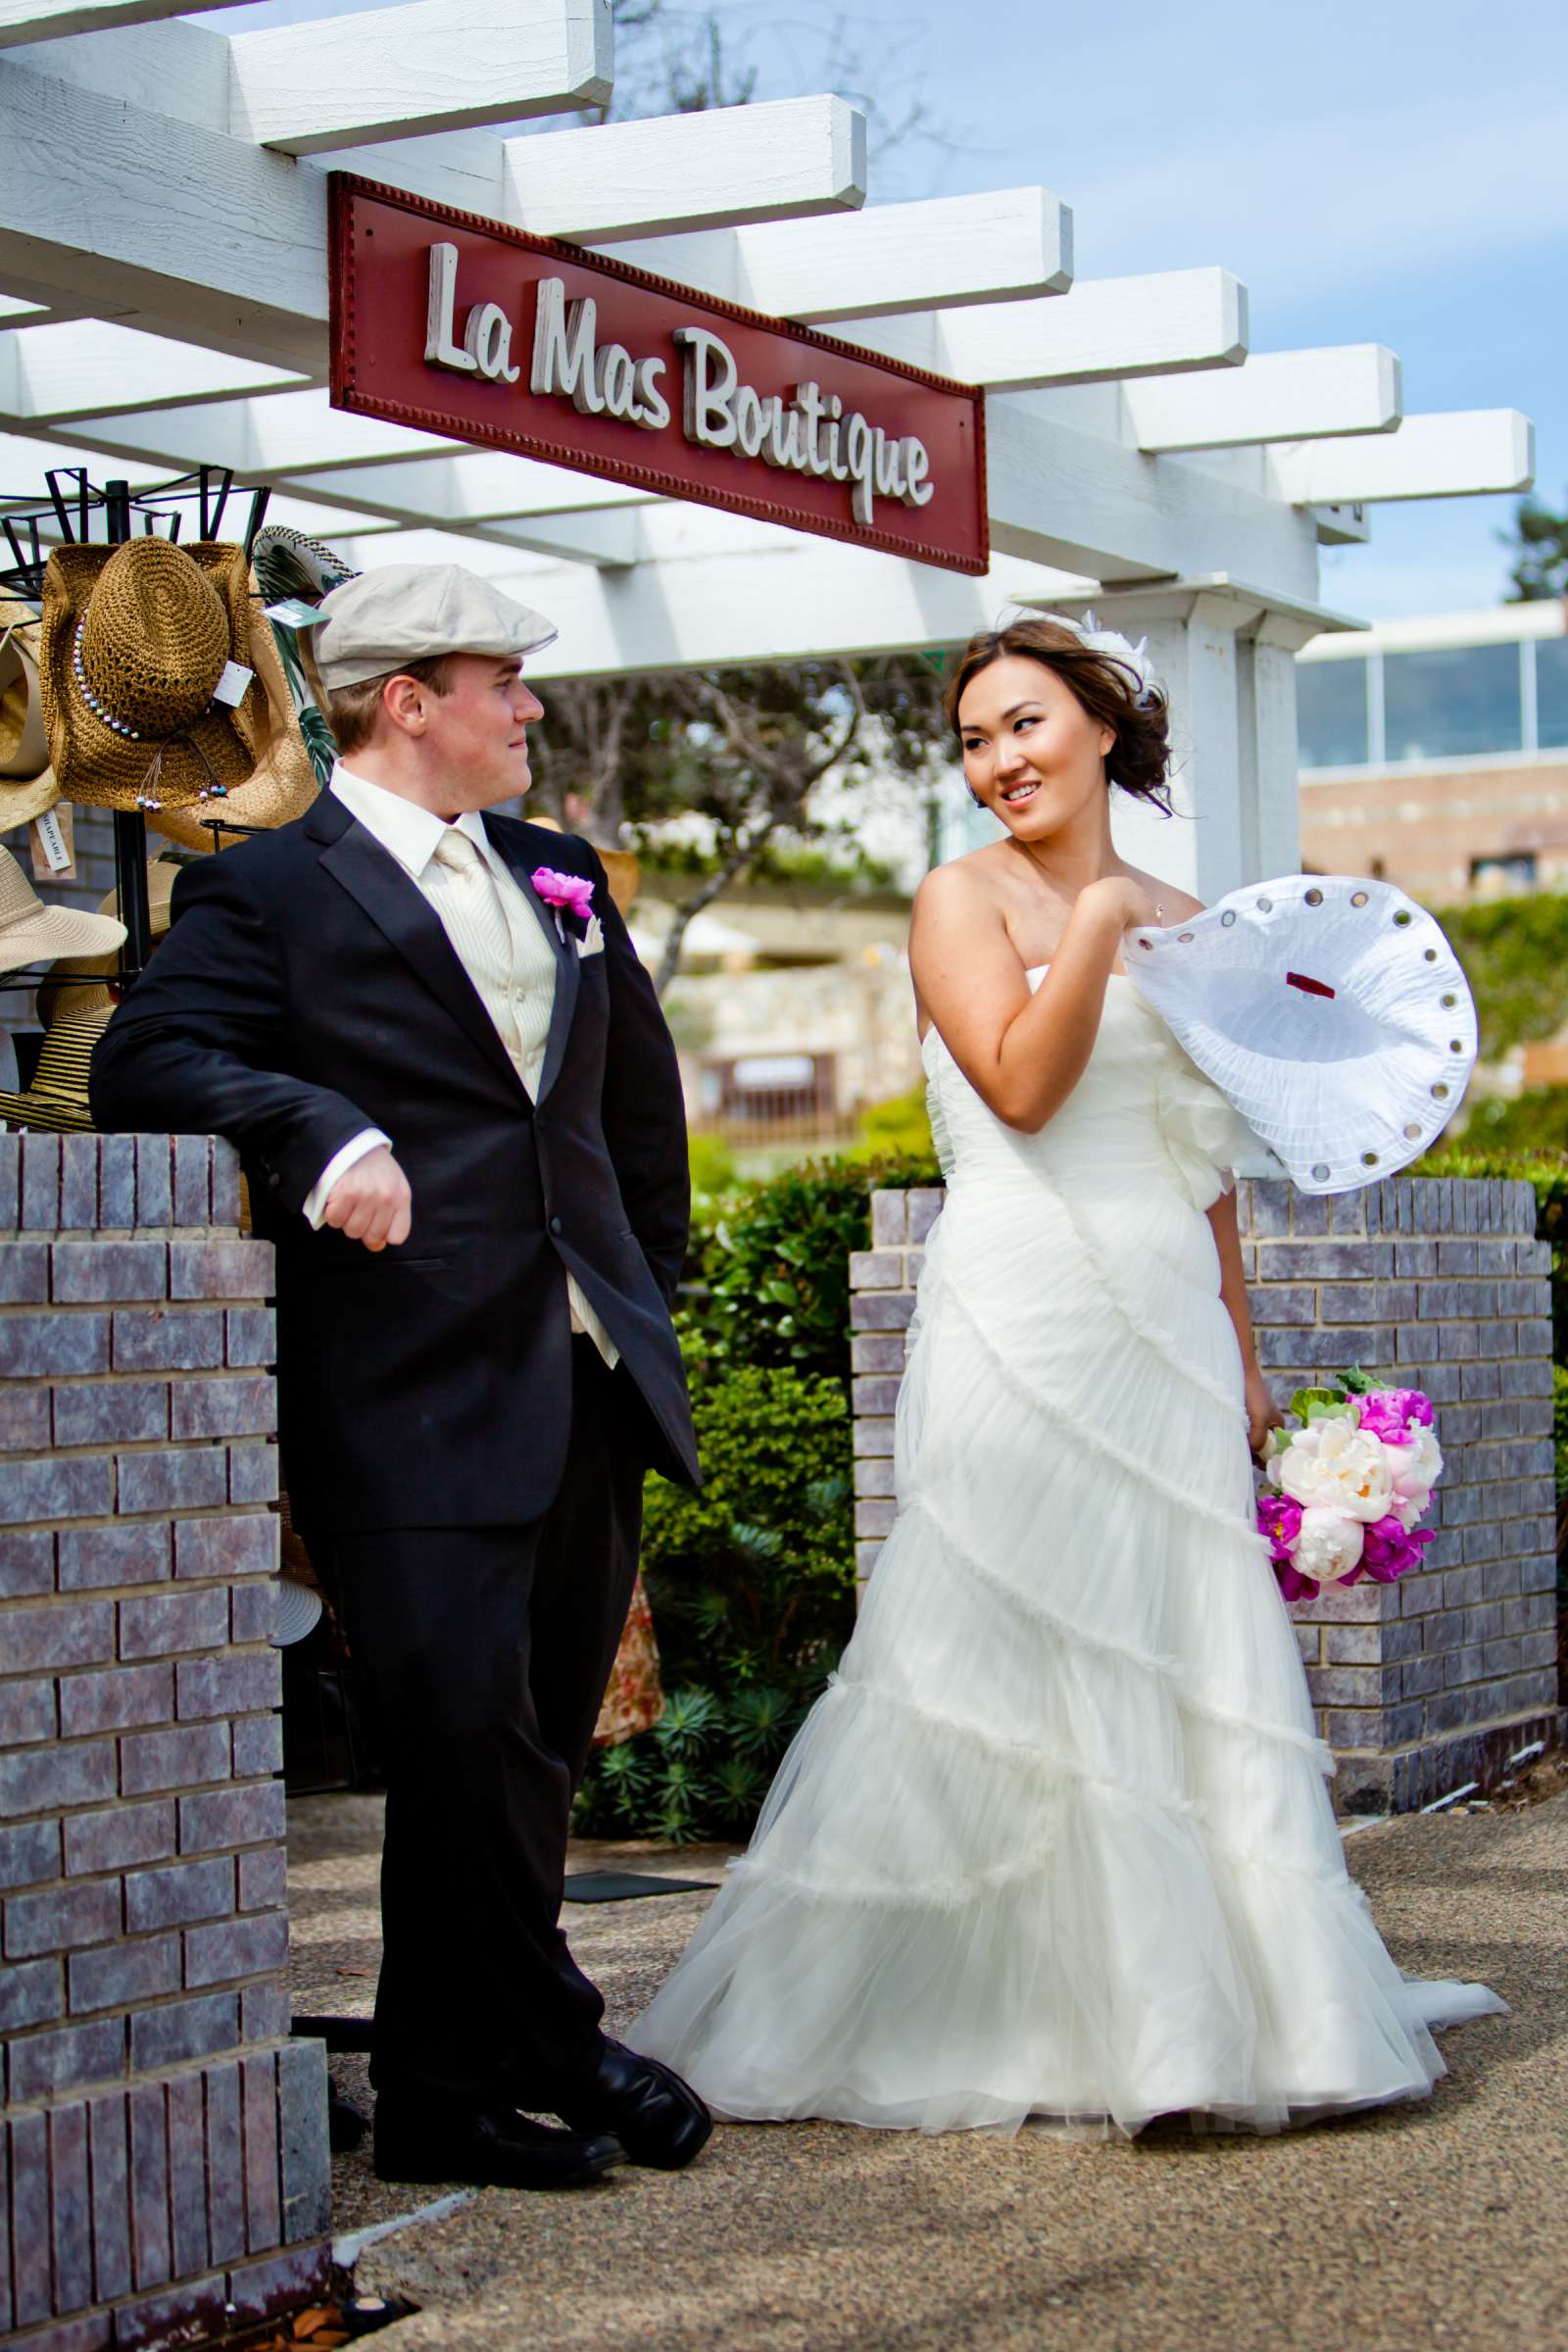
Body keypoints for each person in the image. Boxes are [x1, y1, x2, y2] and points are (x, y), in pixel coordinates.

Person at [630, 614, 1502, 2136]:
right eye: (973, 741)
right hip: (1022, 1311)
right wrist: (1096, 925)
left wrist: (1243, 1345)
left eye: (1023, 725)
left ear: (1103, 726)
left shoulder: (1196, 917)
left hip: (1165, 1317)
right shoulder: (958, 899)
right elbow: (1024, 1091)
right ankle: (1017, 2010)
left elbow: (1210, 1158)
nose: (998, 763)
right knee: (1010, 1643)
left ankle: (1227, 2021)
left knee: (1182, 1649)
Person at [91, 564, 711, 2190]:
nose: (528, 707)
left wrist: (650, 1293)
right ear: (403, 699)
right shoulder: (270, 893)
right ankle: (563, 2040)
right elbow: (141, 1057)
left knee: (533, 1748)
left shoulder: (566, 875)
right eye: (500, 679)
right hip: (406, 1386)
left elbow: (632, 1115)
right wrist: (319, 1127)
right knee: (458, 1737)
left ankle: (443, 2096)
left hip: (581, 1373)